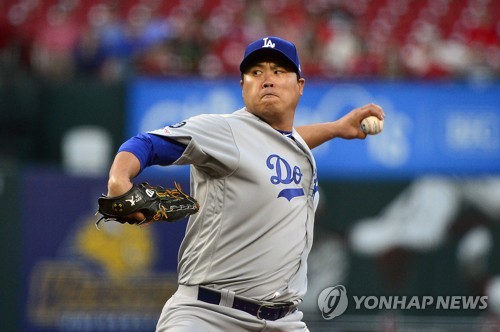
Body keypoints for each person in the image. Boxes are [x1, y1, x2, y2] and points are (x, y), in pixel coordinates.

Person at [105, 36, 385, 331]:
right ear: (242, 87)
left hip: (284, 320)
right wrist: (119, 179)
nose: (267, 80)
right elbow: (147, 143)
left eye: (278, 72)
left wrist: (335, 128)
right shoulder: (224, 131)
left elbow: (283, 141)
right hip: (209, 315)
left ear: (299, 86)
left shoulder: (294, 147)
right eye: (256, 72)